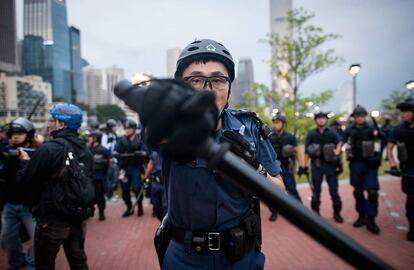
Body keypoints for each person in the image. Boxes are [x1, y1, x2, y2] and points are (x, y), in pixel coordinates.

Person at [149, 39, 284, 270]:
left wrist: (255, 169)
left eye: (218, 80)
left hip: (240, 257)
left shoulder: (249, 128)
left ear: (229, 86)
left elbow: (280, 192)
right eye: (196, 79)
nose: (208, 89)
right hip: (184, 257)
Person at [17, 103, 93, 270]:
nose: (49, 124)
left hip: (52, 219)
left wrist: (24, 163)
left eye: (52, 120)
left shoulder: (49, 149)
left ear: (62, 124)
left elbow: (25, 181)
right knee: (79, 263)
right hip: (77, 217)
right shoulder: (85, 149)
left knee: (44, 264)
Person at [0, 118, 36, 270]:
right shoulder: (7, 152)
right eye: (13, 133)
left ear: (28, 135)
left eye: (19, 133)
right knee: (7, 237)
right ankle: (16, 261)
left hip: (29, 205)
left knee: (37, 238)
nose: (15, 136)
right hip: (10, 203)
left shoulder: (36, 153)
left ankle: (31, 264)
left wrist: (25, 161)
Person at [339, 105, 381, 234]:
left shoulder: (372, 128)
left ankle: (371, 218)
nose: (360, 118)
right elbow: (341, 142)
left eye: (362, 115)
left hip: (370, 165)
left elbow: (380, 142)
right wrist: (338, 157)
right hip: (356, 164)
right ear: (354, 117)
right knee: (358, 192)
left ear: (365, 116)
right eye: (357, 116)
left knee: (372, 192)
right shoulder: (349, 130)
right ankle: (362, 216)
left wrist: (378, 157)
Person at [304, 111, 343, 223]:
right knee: (316, 191)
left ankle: (337, 213)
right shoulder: (311, 134)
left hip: (330, 165)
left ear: (326, 120)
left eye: (323, 118)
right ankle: (316, 213)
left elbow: (339, 142)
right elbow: (306, 151)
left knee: (334, 190)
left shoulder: (332, 132)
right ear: (315, 120)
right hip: (316, 166)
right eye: (319, 118)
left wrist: (337, 153)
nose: (321, 120)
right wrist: (305, 165)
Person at [386, 98, 414, 241]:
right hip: (409, 169)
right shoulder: (398, 129)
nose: (402, 114)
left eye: (406, 111)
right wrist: (392, 164)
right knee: (411, 198)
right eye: (402, 111)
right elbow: (389, 149)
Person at [268, 113, 303, 221]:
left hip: (287, 167)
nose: (276, 124)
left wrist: (301, 165)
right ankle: (274, 211)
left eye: (278, 122)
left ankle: (299, 210)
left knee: (291, 188)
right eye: (274, 122)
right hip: (274, 168)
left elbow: (297, 151)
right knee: (272, 190)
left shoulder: (290, 137)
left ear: (283, 124)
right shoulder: (269, 136)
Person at [114, 119, 149, 217]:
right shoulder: (121, 139)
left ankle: (140, 207)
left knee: (137, 188)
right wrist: (116, 153)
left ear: (134, 129)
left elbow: (146, 151)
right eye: (125, 128)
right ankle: (129, 208)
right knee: (125, 189)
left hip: (135, 167)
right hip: (124, 168)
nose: (127, 130)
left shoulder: (140, 139)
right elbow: (116, 149)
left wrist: (142, 153)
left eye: (129, 128)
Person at [87, 130, 111, 221]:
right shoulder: (87, 149)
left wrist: (101, 163)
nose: (88, 139)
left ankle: (101, 212)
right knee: (89, 196)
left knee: (100, 196)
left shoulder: (103, 150)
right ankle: (90, 210)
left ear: (95, 138)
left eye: (90, 137)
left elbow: (109, 161)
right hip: (89, 177)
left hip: (99, 177)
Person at [143, 150, 166, 221]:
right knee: (156, 206)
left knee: (165, 207)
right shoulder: (155, 152)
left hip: (166, 184)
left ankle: (166, 226)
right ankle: (162, 223)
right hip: (156, 182)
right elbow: (151, 164)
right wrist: (145, 177)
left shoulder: (171, 151)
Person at [101, 119, 119, 199]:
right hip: (109, 160)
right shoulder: (105, 136)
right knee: (109, 178)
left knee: (114, 179)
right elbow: (104, 148)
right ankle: (108, 195)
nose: (115, 128)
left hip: (115, 160)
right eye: (114, 126)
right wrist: (109, 143)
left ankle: (110, 194)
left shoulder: (115, 136)